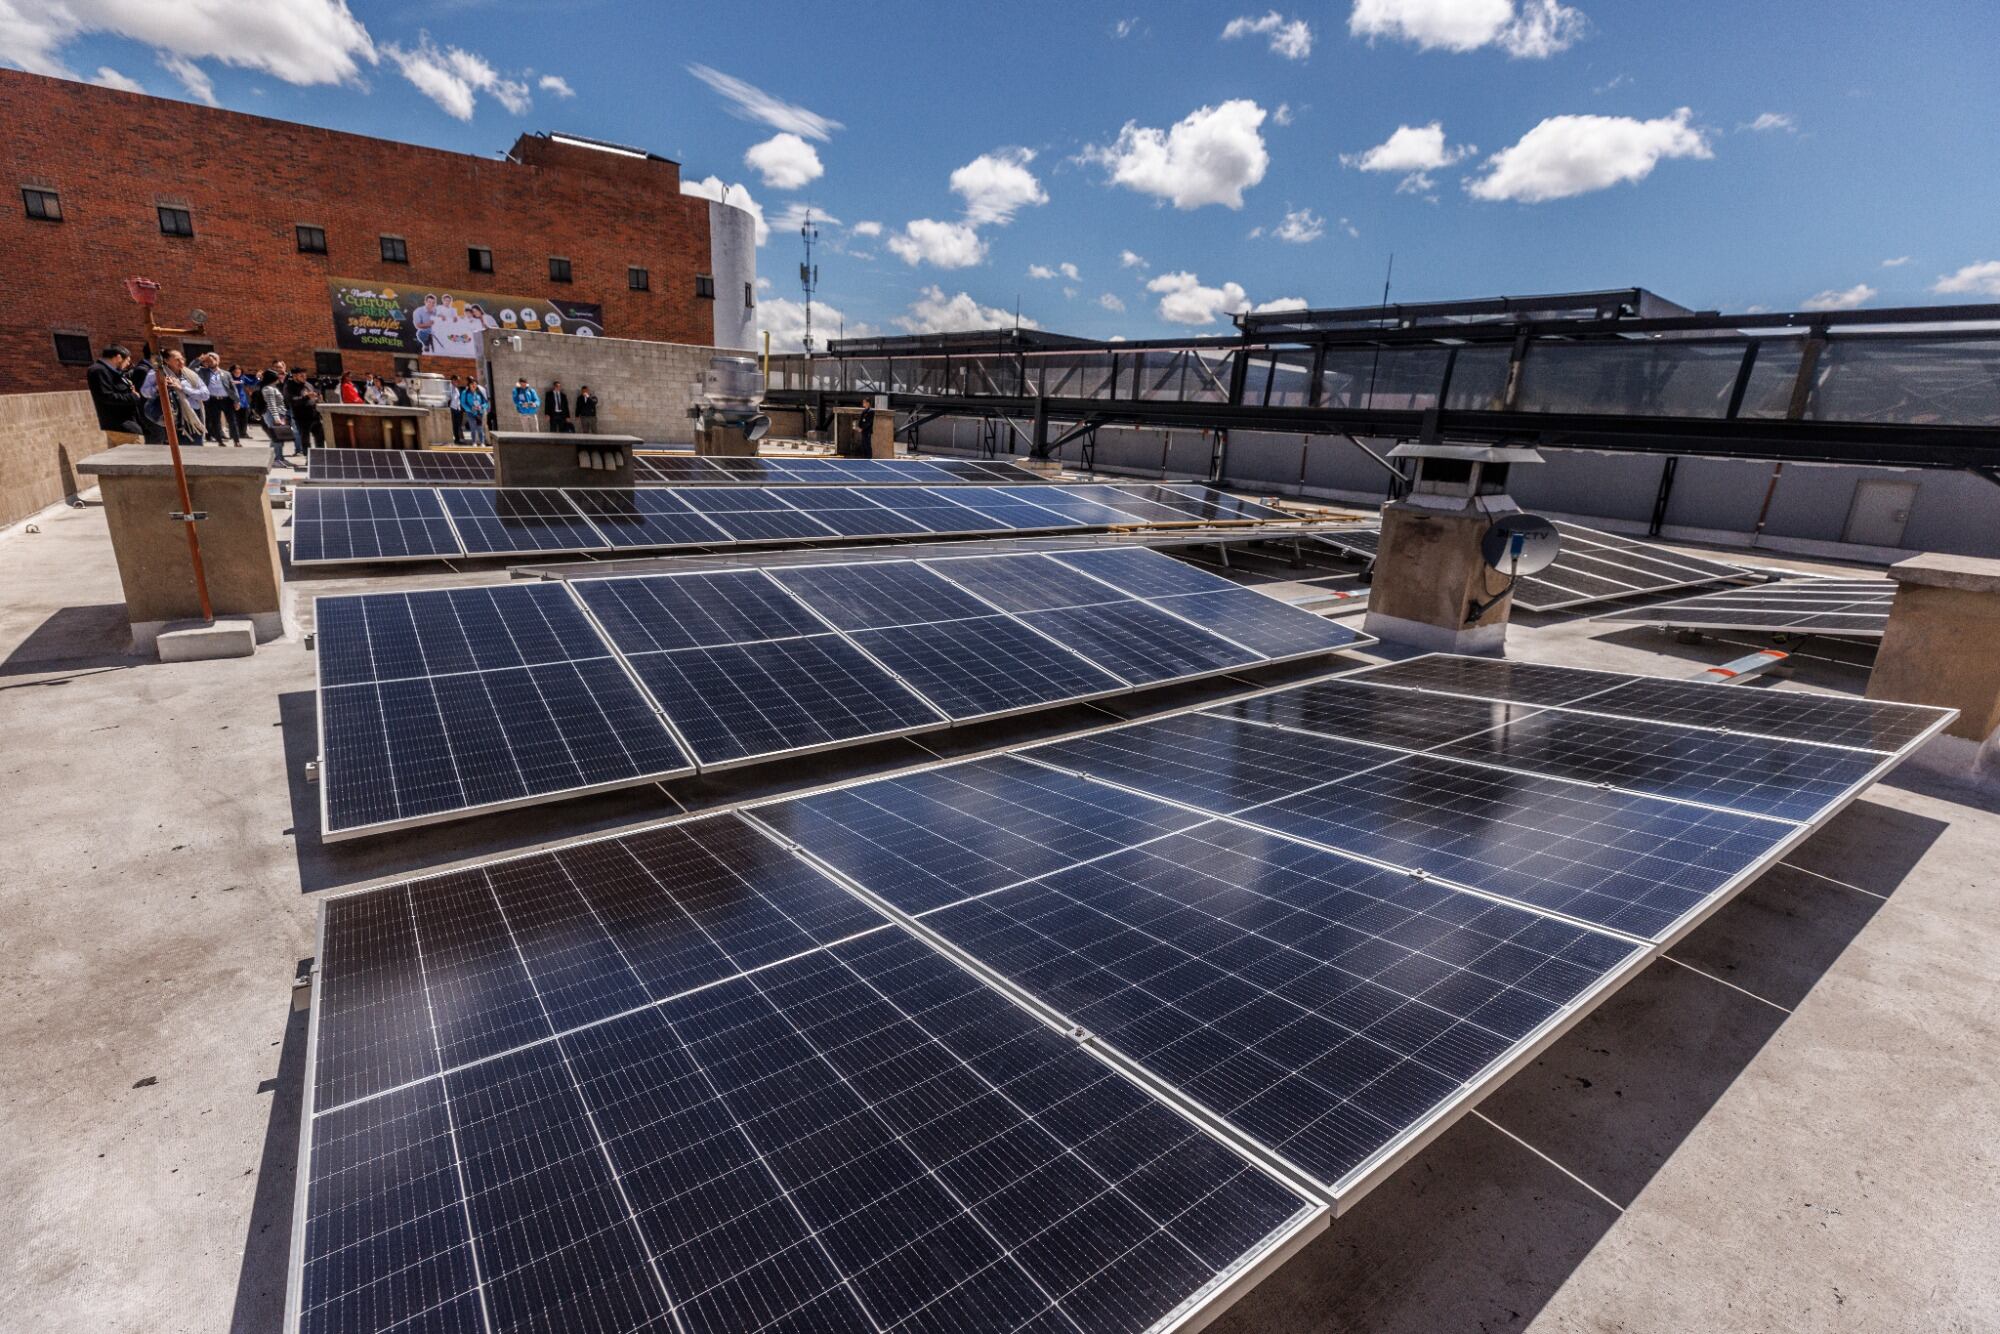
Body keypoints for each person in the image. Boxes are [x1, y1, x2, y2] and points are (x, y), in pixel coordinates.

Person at [141, 348, 208, 443]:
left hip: (194, 417)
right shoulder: (156, 373)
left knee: (198, 449)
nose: (181, 361)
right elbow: (145, 392)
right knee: (181, 451)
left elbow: (205, 395)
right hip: (174, 418)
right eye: (177, 359)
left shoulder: (191, 374)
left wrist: (182, 388)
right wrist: (160, 386)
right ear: (166, 360)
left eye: (182, 358)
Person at [86, 345, 145, 440]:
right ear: (118, 357)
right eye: (127, 361)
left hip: (127, 422)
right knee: (137, 453)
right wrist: (133, 397)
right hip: (120, 424)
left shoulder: (112, 371)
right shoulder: (99, 370)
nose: (128, 364)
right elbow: (106, 396)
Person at [197, 353, 237, 443]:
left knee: (230, 420)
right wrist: (199, 360)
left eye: (212, 360)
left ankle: (233, 439)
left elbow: (232, 387)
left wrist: (236, 400)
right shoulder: (204, 371)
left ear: (217, 360)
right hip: (211, 399)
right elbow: (191, 368)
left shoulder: (226, 373)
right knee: (213, 419)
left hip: (225, 399)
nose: (210, 363)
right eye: (208, 361)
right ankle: (214, 437)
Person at [284, 368, 324, 455]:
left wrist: (318, 398)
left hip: (314, 416)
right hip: (302, 417)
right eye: (301, 376)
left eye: (305, 375)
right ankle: (308, 457)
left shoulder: (308, 385)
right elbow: (292, 401)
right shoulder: (289, 387)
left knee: (320, 437)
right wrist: (306, 397)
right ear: (295, 376)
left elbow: (313, 396)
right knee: (305, 439)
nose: (304, 377)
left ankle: (321, 456)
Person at [257, 370, 292, 458]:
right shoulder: (268, 389)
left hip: (279, 414)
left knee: (277, 437)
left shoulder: (272, 387)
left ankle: (276, 457)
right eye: (277, 376)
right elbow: (271, 404)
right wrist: (277, 418)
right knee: (276, 438)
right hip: (274, 415)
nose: (279, 377)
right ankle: (276, 458)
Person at [232, 364, 258, 443]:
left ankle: (243, 433)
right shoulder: (229, 378)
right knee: (235, 418)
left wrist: (258, 377)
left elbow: (252, 383)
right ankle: (234, 433)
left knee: (244, 418)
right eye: (235, 372)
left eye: (238, 372)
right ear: (232, 372)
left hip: (243, 400)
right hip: (233, 399)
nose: (237, 373)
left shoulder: (243, 377)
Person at [461, 379, 490, 445]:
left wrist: (481, 407)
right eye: (472, 384)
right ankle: (474, 442)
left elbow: (485, 403)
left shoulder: (479, 392)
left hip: (479, 413)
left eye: (475, 384)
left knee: (480, 428)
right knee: (473, 427)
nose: (474, 385)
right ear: (469, 385)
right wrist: (470, 408)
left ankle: (482, 442)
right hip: (470, 412)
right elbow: (463, 403)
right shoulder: (465, 393)